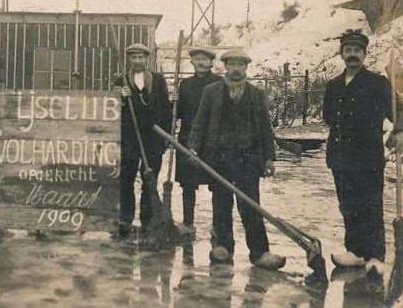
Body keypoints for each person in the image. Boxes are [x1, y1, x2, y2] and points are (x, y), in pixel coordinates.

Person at [188, 48, 285, 270]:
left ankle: (260, 253)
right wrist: (193, 147)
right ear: (225, 67)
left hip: (248, 158)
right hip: (219, 157)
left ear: (246, 68)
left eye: (240, 64)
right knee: (221, 202)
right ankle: (223, 247)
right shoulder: (211, 91)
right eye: (232, 64)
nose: (236, 69)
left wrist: (269, 158)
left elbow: (264, 128)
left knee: (251, 204)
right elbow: (200, 122)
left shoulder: (256, 94)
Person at [323, 29, 393, 271]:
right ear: (341, 53)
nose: (352, 55)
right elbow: (328, 116)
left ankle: (375, 257)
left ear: (364, 54)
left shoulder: (378, 83)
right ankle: (355, 251)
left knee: (370, 205)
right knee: (348, 206)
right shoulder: (333, 85)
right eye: (348, 50)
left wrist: (401, 132)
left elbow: (397, 112)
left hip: (368, 157)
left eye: (357, 51)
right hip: (341, 157)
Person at [116, 42, 172, 236]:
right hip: (130, 138)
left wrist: (165, 138)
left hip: (153, 138)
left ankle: (147, 219)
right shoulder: (121, 80)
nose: (138, 61)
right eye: (134, 57)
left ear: (147, 59)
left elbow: (166, 109)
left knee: (150, 179)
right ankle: (125, 218)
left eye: (141, 57)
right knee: (126, 179)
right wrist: (120, 98)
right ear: (129, 59)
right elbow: (112, 110)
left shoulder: (157, 80)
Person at [174, 47, 221, 235]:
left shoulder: (219, 83)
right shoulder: (185, 85)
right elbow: (178, 113)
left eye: (204, 59)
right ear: (191, 62)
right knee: (187, 183)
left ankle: (218, 226)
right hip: (188, 138)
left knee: (217, 183)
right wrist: (173, 102)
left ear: (211, 63)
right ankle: (188, 223)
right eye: (197, 59)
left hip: (213, 140)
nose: (201, 62)